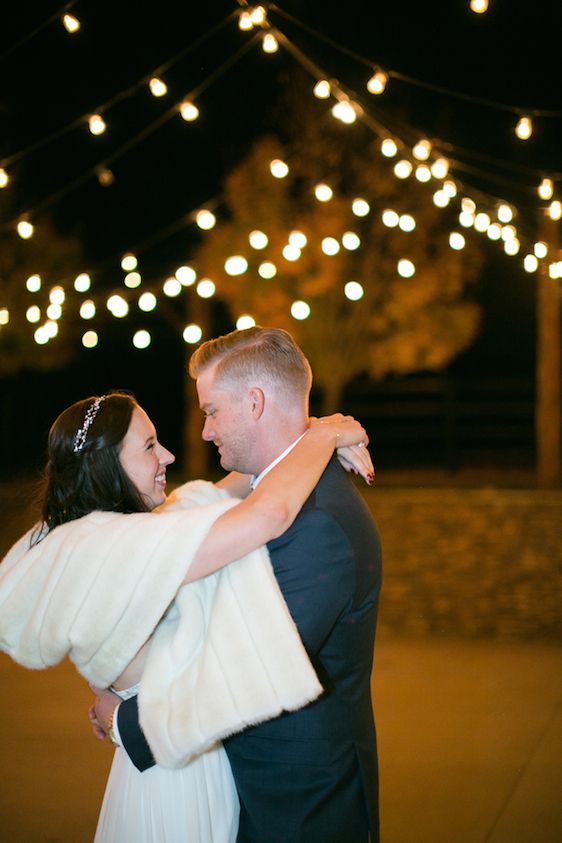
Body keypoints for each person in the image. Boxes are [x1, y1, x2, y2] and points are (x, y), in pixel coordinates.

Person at [0, 388, 373, 843]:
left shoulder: (124, 531)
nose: (170, 455)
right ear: (107, 464)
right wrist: (327, 435)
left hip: (183, 757)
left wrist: (313, 427)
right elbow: (269, 511)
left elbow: (234, 486)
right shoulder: (120, 549)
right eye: (150, 445)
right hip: (179, 781)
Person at [94, 327, 383, 843]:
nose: (203, 433)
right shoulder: (266, 492)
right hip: (248, 790)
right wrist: (321, 432)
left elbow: (252, 670)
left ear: (255, 402)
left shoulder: (317, 522)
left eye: (211, 411)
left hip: (302, 808)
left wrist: (123, 723)